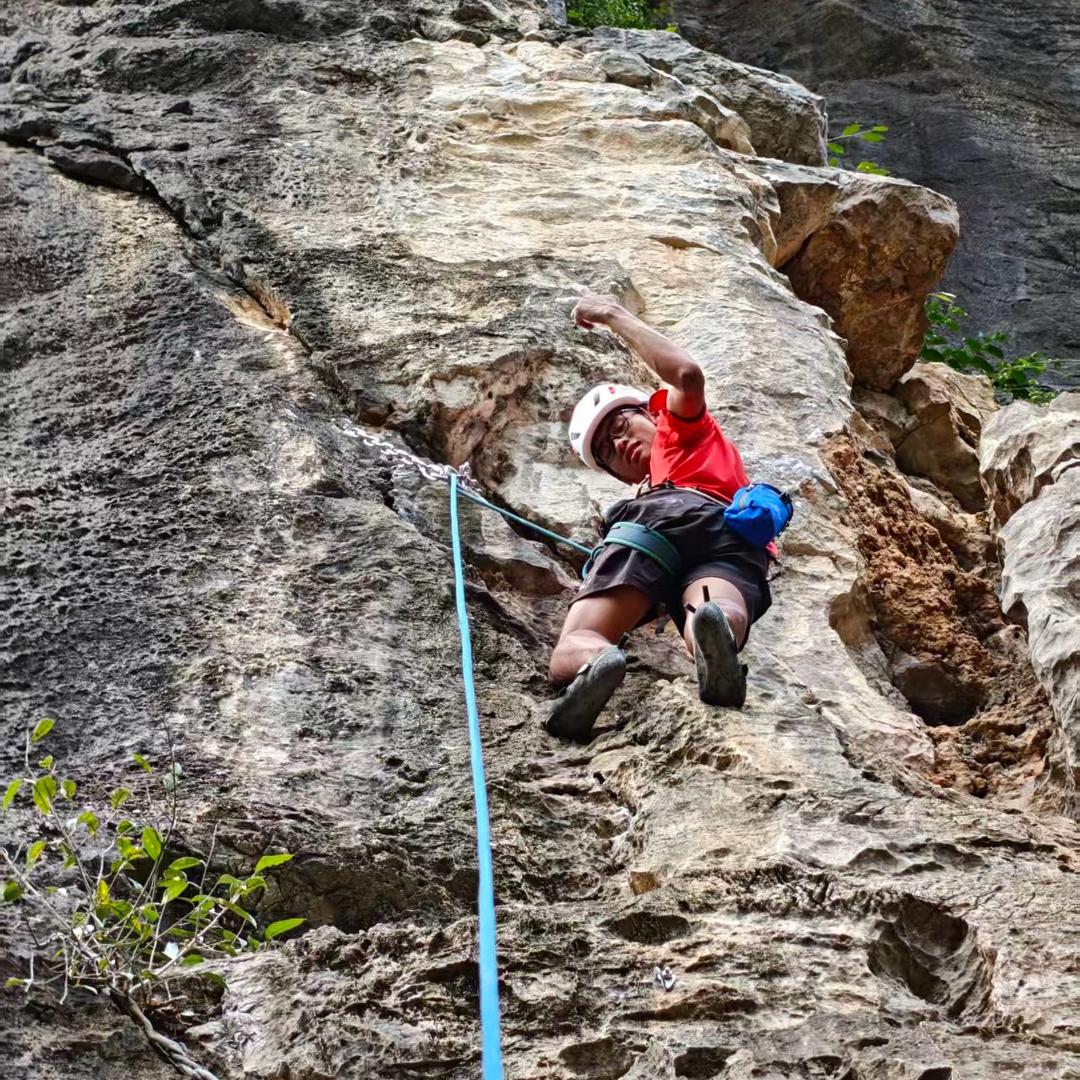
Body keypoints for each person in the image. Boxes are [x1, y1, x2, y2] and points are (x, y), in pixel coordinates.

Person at [547, 286, 775, 740]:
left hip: (655, 524)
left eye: (619, 425)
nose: (620, 443)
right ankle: (714, 636)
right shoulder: (695, 453)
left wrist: (612, 313)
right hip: (732, 538)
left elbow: (687, 375)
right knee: (715, 606)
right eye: (608, 450)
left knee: (572, 645)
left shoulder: (680, 431)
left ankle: (596, 657)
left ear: (648, 413)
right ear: (614, 472)